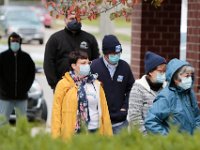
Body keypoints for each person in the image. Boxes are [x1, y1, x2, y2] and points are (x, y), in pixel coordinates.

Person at [51, 50, 112, 139]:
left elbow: (105, 112)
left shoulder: (96, 84)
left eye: (88, 63)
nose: (87, 66)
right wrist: (55, 137)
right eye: (83, 63)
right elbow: (56, 113)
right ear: (74, 66)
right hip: (73, 135)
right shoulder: (63, 85)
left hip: (94, 132)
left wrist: (109, 137)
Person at [90, 34, 135, 134]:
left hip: (120, 122)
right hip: (99, 121)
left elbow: (131, 90)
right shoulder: (94, 67)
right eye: (113, 54)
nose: (116, 56)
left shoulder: (125, 67)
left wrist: (125, 107)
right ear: (105, 54)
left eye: (118, 53)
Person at [44, 12, 100, 90]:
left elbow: (96, 62)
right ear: (65, 20)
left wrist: (93, 82)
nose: (75, 21)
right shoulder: (55, 39)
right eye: (72, 19)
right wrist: (55, 84)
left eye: (77, 18)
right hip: (62, 87)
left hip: (86, 86)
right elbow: (48, 63)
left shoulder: (90, 39)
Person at [145, 58, 200, 135]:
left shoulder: (189, 93)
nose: (190, 79)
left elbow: (197, 117)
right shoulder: (166, 97)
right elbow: (151, 121)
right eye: (187, 76)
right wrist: (170, 139)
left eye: (191, 76)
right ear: (176, 79)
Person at [0, 32, 35, 124]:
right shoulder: (2, 57)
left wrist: (25, 88)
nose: (15, 43)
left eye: (17, 41)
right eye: (13, 41)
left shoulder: (26, 58)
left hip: (21, 97)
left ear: (20, 42)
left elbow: (31, 75)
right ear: (9, 42)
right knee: (2, 122)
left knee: (22, 123)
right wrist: (4, 89)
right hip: (5, 97)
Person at [127, 51, 166, 133]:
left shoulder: (166, 88)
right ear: (150, 72)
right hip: (142, 138)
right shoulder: (138, 88)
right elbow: (135, 117)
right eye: (160, 71)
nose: (163, 74)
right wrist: (146, 137)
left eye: (164, 71)